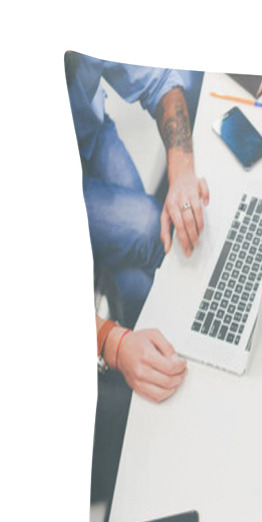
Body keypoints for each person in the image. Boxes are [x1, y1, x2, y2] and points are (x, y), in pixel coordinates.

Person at [65, 51, 209, 326]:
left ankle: (133, 322)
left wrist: (181, 172)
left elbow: (159, 79)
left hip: (91, 134)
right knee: (151, 229)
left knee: (137, 281)